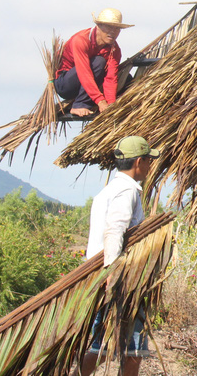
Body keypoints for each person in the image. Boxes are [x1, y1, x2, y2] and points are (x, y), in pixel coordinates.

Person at [80, 135, 159, 376]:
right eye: (148, 160)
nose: (149, 166)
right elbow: (115, 230)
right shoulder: (127, 191)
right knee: (134, 348)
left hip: (104, 276)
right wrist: (112, 272)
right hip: (119, 280)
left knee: (100, 343)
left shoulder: (108, 191)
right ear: (138, 162)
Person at [54, 8, 131, 117]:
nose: (113, 32)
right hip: (66, 84)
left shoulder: (115, 50)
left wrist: (111, 104)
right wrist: (100, 101)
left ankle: (88, 101)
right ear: (98, 27)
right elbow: (84, 73)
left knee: (126, 78)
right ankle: (79, 105)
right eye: (109, 27)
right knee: (98, 61)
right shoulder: (81, 40)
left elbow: (110, 78)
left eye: (117, 28)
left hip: (88, 85)